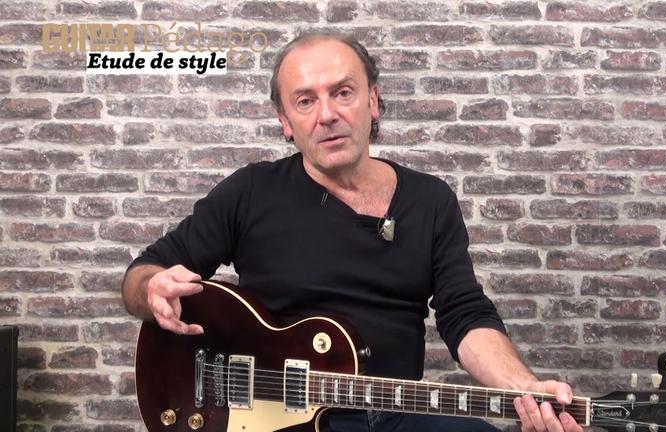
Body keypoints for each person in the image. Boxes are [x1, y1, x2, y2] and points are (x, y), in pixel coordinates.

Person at [121, 32, 583, 432]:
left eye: (343, 93)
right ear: (285, 122)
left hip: (394, 416)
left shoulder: (430, 200)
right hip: (269, 418)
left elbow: (463, 313)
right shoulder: (251, 191)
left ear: (373, 101)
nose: (327, 115)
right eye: (305, 101)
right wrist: (151, 289)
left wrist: (524, 388)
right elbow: (143, 275)